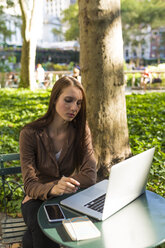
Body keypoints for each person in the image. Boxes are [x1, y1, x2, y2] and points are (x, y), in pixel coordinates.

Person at [19, 76, 97, 248]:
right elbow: (30, 185)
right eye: (68, 100)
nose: (74, 108)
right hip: (35, 199)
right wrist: (52, 188)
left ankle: (27, 240)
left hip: (65, 196)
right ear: (54, 99)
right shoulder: (30, 133)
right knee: (43, 228)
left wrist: (58, 187)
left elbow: (90, 176)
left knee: (34, 239)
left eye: (78, 103)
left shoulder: (81, 130)